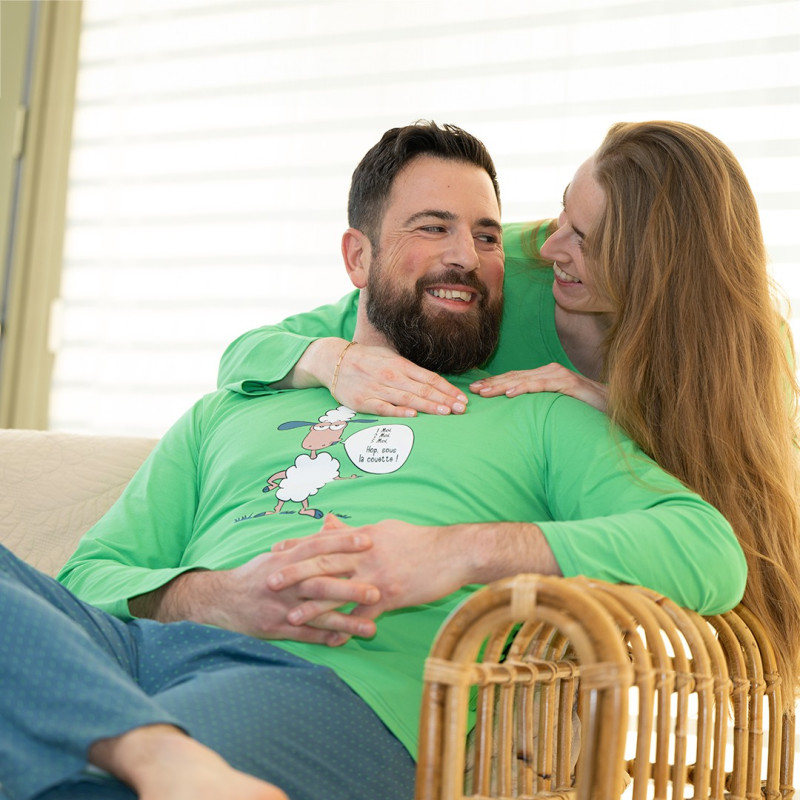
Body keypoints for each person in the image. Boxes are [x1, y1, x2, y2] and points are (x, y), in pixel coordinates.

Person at [1, 122, 745, 800]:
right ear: (358, 255)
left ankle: (128, 755)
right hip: (126, 657)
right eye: (433, 227)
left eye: (488, 236)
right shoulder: (232, 408)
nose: (468, 255)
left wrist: (462, 551)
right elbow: (85, 582)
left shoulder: (540, 411)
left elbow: (710, 550)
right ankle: (150, 752)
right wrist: (219, 597)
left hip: (318, 681)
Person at [218, 120, 800, 709]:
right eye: (561, 216)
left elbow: (717, 524)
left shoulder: (736, 353)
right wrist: (330, 358)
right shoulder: (499, 270)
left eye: (584, 240)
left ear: (658, 269)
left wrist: (619, 409)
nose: (551, 248)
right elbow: (248, 354)